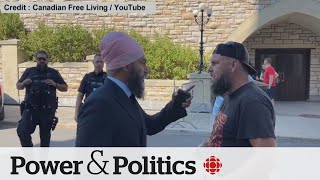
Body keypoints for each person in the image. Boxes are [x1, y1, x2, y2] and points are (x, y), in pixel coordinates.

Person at [75, 32, 193, 147]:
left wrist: (177, 104)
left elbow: (150, 125)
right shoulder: (98, 104)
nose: (146, 70)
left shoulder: (125, 96)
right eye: (142, 63)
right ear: (126, 65)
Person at [201, 41, 276, 147]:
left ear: (233, 65)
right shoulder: (228, 95)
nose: (209, 69)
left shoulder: (253, 102)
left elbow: (265, 156)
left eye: (215, 63)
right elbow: (220, 136)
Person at [16, 50, 68, 147]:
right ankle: (29, 156)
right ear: (36, 59)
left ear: (47, 60)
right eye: (39, 59)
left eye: (44, 59)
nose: (41, 61)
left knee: (45, 140)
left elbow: (65, 87)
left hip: (47, 111)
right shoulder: (29, 71)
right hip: (31, 109)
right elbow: (18, 86)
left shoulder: (53, 73)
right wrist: (23, 83)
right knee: (22, 131)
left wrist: (55, 84)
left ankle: (43, 161)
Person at [74, 54, 107, 122]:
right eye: (97, 62)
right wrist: (76, 113)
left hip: (103, 112)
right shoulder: (87, 77)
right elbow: (80, 95)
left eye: (101, 62)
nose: (99, 64)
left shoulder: (107, 77)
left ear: (103, 64)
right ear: (93, 63)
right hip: (88, 111)